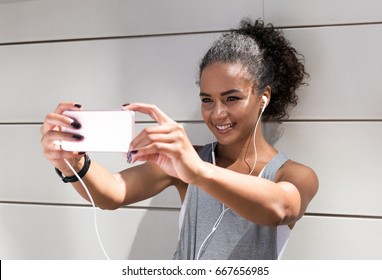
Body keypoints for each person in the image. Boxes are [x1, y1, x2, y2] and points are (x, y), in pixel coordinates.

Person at [41, 19, 318, 260]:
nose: (218, 113)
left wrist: (196, 172)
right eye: (207, 100)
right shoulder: (185, 161)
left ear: (263, 97)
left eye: (232, 98)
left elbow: (280, 209)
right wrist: (72, 165)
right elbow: (113, 191)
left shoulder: (294, 174)